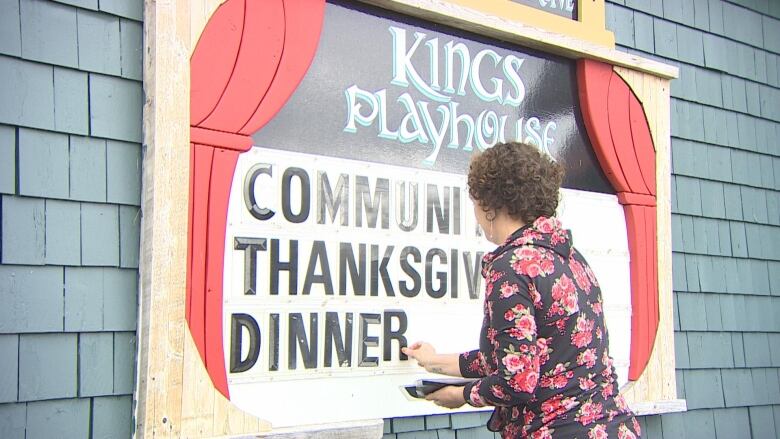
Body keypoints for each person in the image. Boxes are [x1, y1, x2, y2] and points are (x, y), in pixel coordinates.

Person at [402, 142, 641, 438]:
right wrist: (434, 362)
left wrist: (462, 395)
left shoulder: (510, 266)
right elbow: (518, 354)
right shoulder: (570, 257)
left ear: (490, 205)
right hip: (614, 427)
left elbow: (518, 380)